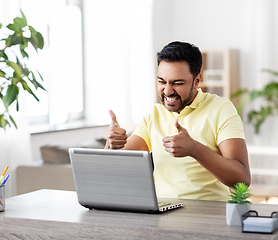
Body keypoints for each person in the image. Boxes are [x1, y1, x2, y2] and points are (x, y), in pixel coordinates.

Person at [106, 41, 250, 201]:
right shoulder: (154, 115)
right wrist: (111, 145)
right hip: (161, 215)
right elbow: (115, 167)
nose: (167, 91)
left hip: (210, 216)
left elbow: (242, 179)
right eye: (162, 81)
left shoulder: (221, 109)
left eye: (177, 83)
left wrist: (195, 149)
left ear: (196, 81)